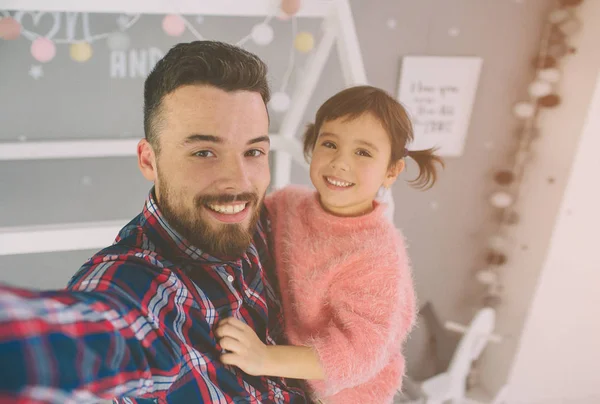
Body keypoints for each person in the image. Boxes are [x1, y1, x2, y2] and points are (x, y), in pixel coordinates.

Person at [0, 41, 309, 403]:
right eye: (204, 152)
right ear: (149, 160)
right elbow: (81, 339)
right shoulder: (141, 289)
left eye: (253, 151)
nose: (238, 181)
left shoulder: (268, 223)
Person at [214, 85, 444, 403]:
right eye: (330, 144)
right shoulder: (290, 203)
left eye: (362, 152)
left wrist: (264, 358)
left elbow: (360, 355)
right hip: (299, 365)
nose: (339, 162)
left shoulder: (376, 253)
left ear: (391, 171)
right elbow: (246, 216)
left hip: (350, 392)